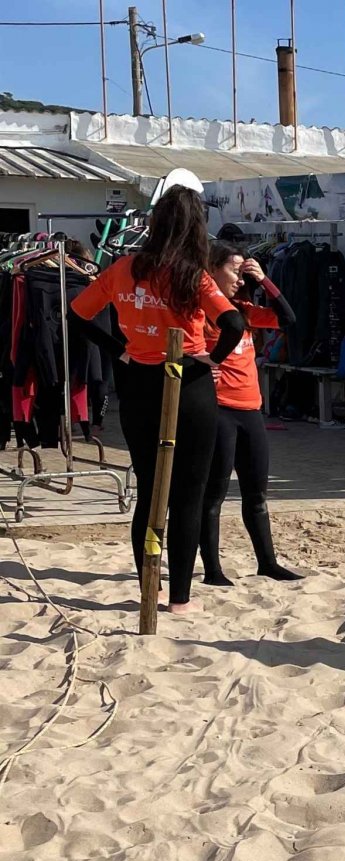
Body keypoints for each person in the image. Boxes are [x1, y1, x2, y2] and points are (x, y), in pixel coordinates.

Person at [69, 184, 249, 614]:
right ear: (194, 229)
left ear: (153, 224)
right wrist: (212, 358)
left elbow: (76, 314)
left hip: (140, 382)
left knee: (151, 489)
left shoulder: (123, 268)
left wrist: (120, 350)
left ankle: (148, 585)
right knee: (189, 493)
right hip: (189, 383)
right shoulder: (194, 274)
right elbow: (235, 323)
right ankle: (180, 599)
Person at [199, 242, 302, 586]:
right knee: (213, 496)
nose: (240, 281)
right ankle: (213, 570)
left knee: (256, 495)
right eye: (234, 271)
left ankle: (267, 563)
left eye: (243, 273)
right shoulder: (201, 313)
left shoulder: (244, 311)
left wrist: (265, 281)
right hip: (219, 411)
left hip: (251, 411)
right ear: (211, 270)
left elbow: (288, 319)